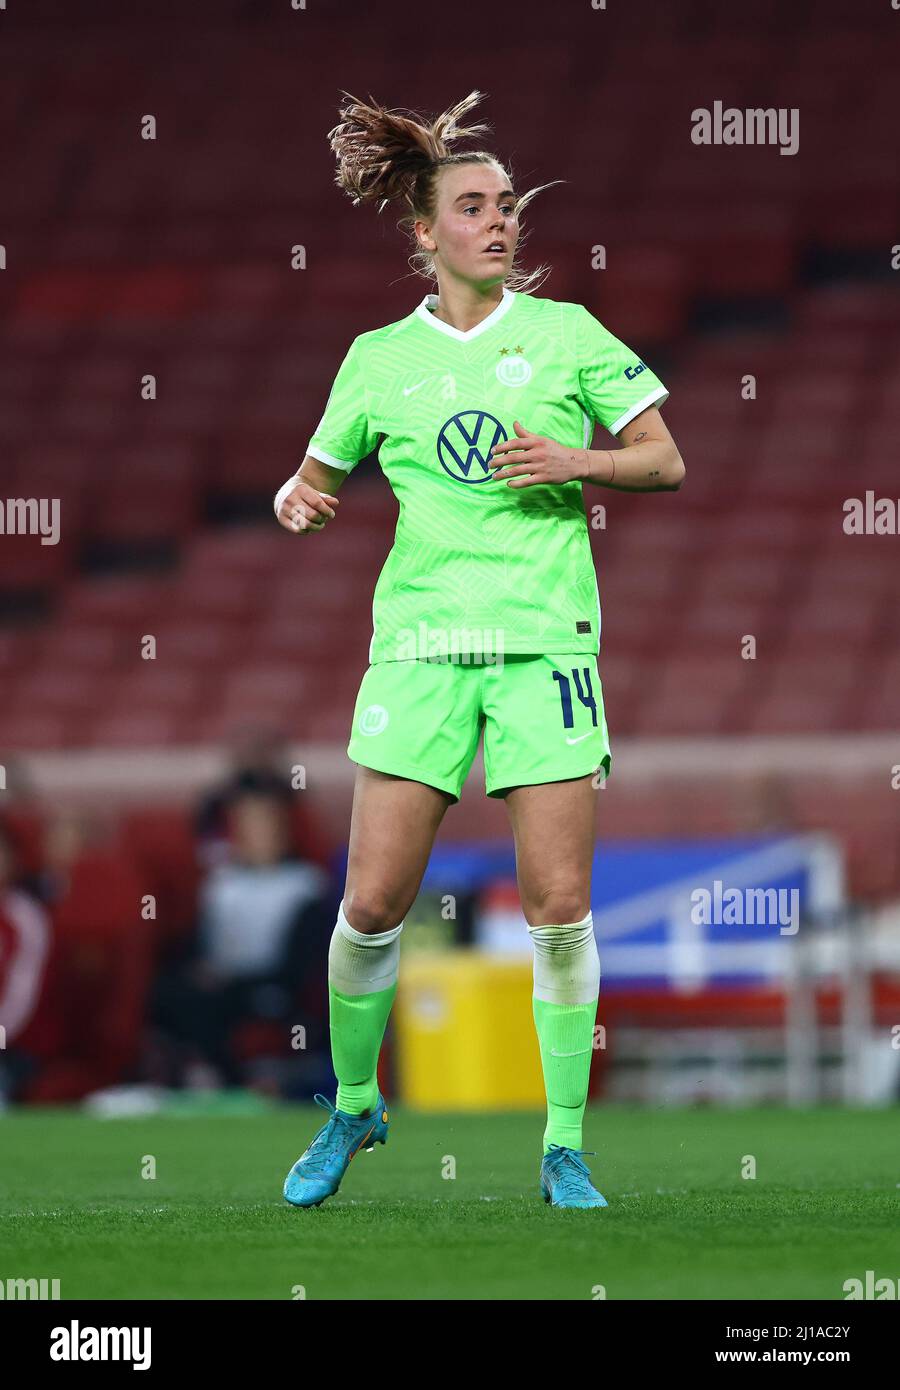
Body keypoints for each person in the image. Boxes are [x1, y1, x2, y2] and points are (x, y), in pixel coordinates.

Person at [274, 91, 685, 1210]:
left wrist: (577, 462)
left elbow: (666, 460)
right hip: (418, 651)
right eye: (474, 206)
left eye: (506, 206)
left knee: (557, 905)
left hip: (542, 646)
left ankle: (562, 1145)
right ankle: (355, 1106)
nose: (499, 222)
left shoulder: (568, 336)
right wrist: (296, 499)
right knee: (371, 905)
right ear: (425, 231)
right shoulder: (376, 359)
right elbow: (311, 482)